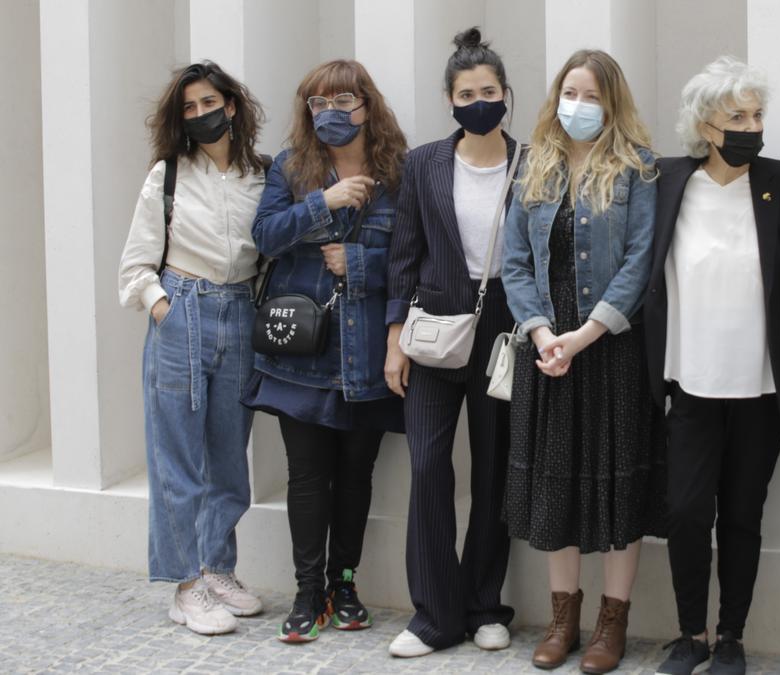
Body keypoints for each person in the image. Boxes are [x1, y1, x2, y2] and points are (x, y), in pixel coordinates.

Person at [501, 48, 665, 675]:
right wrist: (544, 335)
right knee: (555, 483)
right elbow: (514, 261)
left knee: (615, 483)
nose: (578, 105)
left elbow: (638, 264)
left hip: (611, 345)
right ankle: (563, 619)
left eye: (592, 95)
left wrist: (583, 336)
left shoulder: (637, 170)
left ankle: (610, 624)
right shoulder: (534, 167)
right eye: (570, 92)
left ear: (613, 103)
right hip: (546, 350)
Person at [243, 59, 407, 644]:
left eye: (342, 100)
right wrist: (325, 201)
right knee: (308, 474)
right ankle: (307, 590)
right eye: (318, 103)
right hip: (301, 354)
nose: (330, 113)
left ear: (367, 105)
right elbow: (263, 237)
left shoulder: (397, 173)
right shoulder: (291, 167)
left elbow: (416, 261)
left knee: (356, 473)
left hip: (366, 352)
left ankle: (344, 583)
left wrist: (359, 262)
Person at [645, 57, 780, 675]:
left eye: (758, 114)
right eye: (737, 116)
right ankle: (690, 634)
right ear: (705, 125)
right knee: (685, 511)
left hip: (760, 385)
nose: (751, 126)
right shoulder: (665, 181)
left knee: (742, 514)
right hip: (691, 381)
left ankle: (731, 636)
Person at [118, 61, 268, 636]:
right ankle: (184, 586)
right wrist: (165, 309)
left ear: (231, 106)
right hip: (183, 309)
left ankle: (218, 569)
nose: (202, 115)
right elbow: (135, 265)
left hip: (241, 315)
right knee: (177, 459)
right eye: (189, 108)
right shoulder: (169, 175)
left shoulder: (262, 173)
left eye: (210, 103)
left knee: (230, 457)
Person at [383, 27, 519, 658]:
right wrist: (395, 341)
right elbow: (402, 256)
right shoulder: (424, 164)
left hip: (503, 332)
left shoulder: (530, 163)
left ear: (506, 95)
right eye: (467, 92)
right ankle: (434, 615)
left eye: (489, 90)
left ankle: (485, 605)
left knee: (494, 471)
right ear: (450, 100)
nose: (479, 100)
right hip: (433, 330)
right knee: (429, 468)